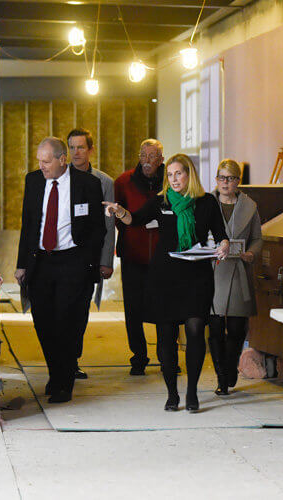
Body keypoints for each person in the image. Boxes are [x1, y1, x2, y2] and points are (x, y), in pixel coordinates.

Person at [104, 154, 229, 412]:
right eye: (169, 175)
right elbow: (134, 220)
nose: (173, 179)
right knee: (166, 339)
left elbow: (221, 235)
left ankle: (192, 391)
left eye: (178, 174)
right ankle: (172, 393)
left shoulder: (206, 202)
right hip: (164, 277)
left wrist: (224, 246)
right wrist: (119, 211)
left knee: (195, 330)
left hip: (196, 277)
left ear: (189, 174)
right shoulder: (160, 202)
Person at [15, 137, 105, 403]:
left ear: (61, 159)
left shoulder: (88, 184)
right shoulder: (33, 181)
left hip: (73, 261)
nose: (41, 166)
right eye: (39, 161)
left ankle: (63, 382)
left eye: (46, 161)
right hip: (41, 261)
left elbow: (98, 228)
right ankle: (56, 374)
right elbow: (28, 223)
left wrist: (90, 261)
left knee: (67, 322)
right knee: (43, 322)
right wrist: (22, 262)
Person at [208, 160, 262, 395]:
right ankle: (222, 376)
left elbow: (258, 238)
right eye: (221, 178)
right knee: (216, 327)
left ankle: (230, 367)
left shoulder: (249, 206)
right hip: (213, 272)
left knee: (238, 328)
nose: (225, 183)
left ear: (238, 181)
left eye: (229, 178)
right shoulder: (206, 203)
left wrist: (252, 253)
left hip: (239, 270)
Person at [66, 128, 115, 380]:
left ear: (90, 150)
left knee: (79, 311)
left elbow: (108, 226)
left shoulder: (104, 183)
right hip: (62, 259)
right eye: (72, 147)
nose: (76, 152)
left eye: (81, 147)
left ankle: (72, 360)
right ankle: (61, 360)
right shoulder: (58, 179)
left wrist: (106, 261)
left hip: (87, 260)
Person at [113, 139, 164, 375]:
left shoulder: (170, 181)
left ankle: (167, 355)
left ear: (161, 159)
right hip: (133, 253)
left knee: (166, 307)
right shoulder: (124, 182)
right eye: (143, 155)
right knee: (133, 309)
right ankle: (139, 357)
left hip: (164, 255)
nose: (146, 161)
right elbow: (118, 217)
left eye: (152, 156)